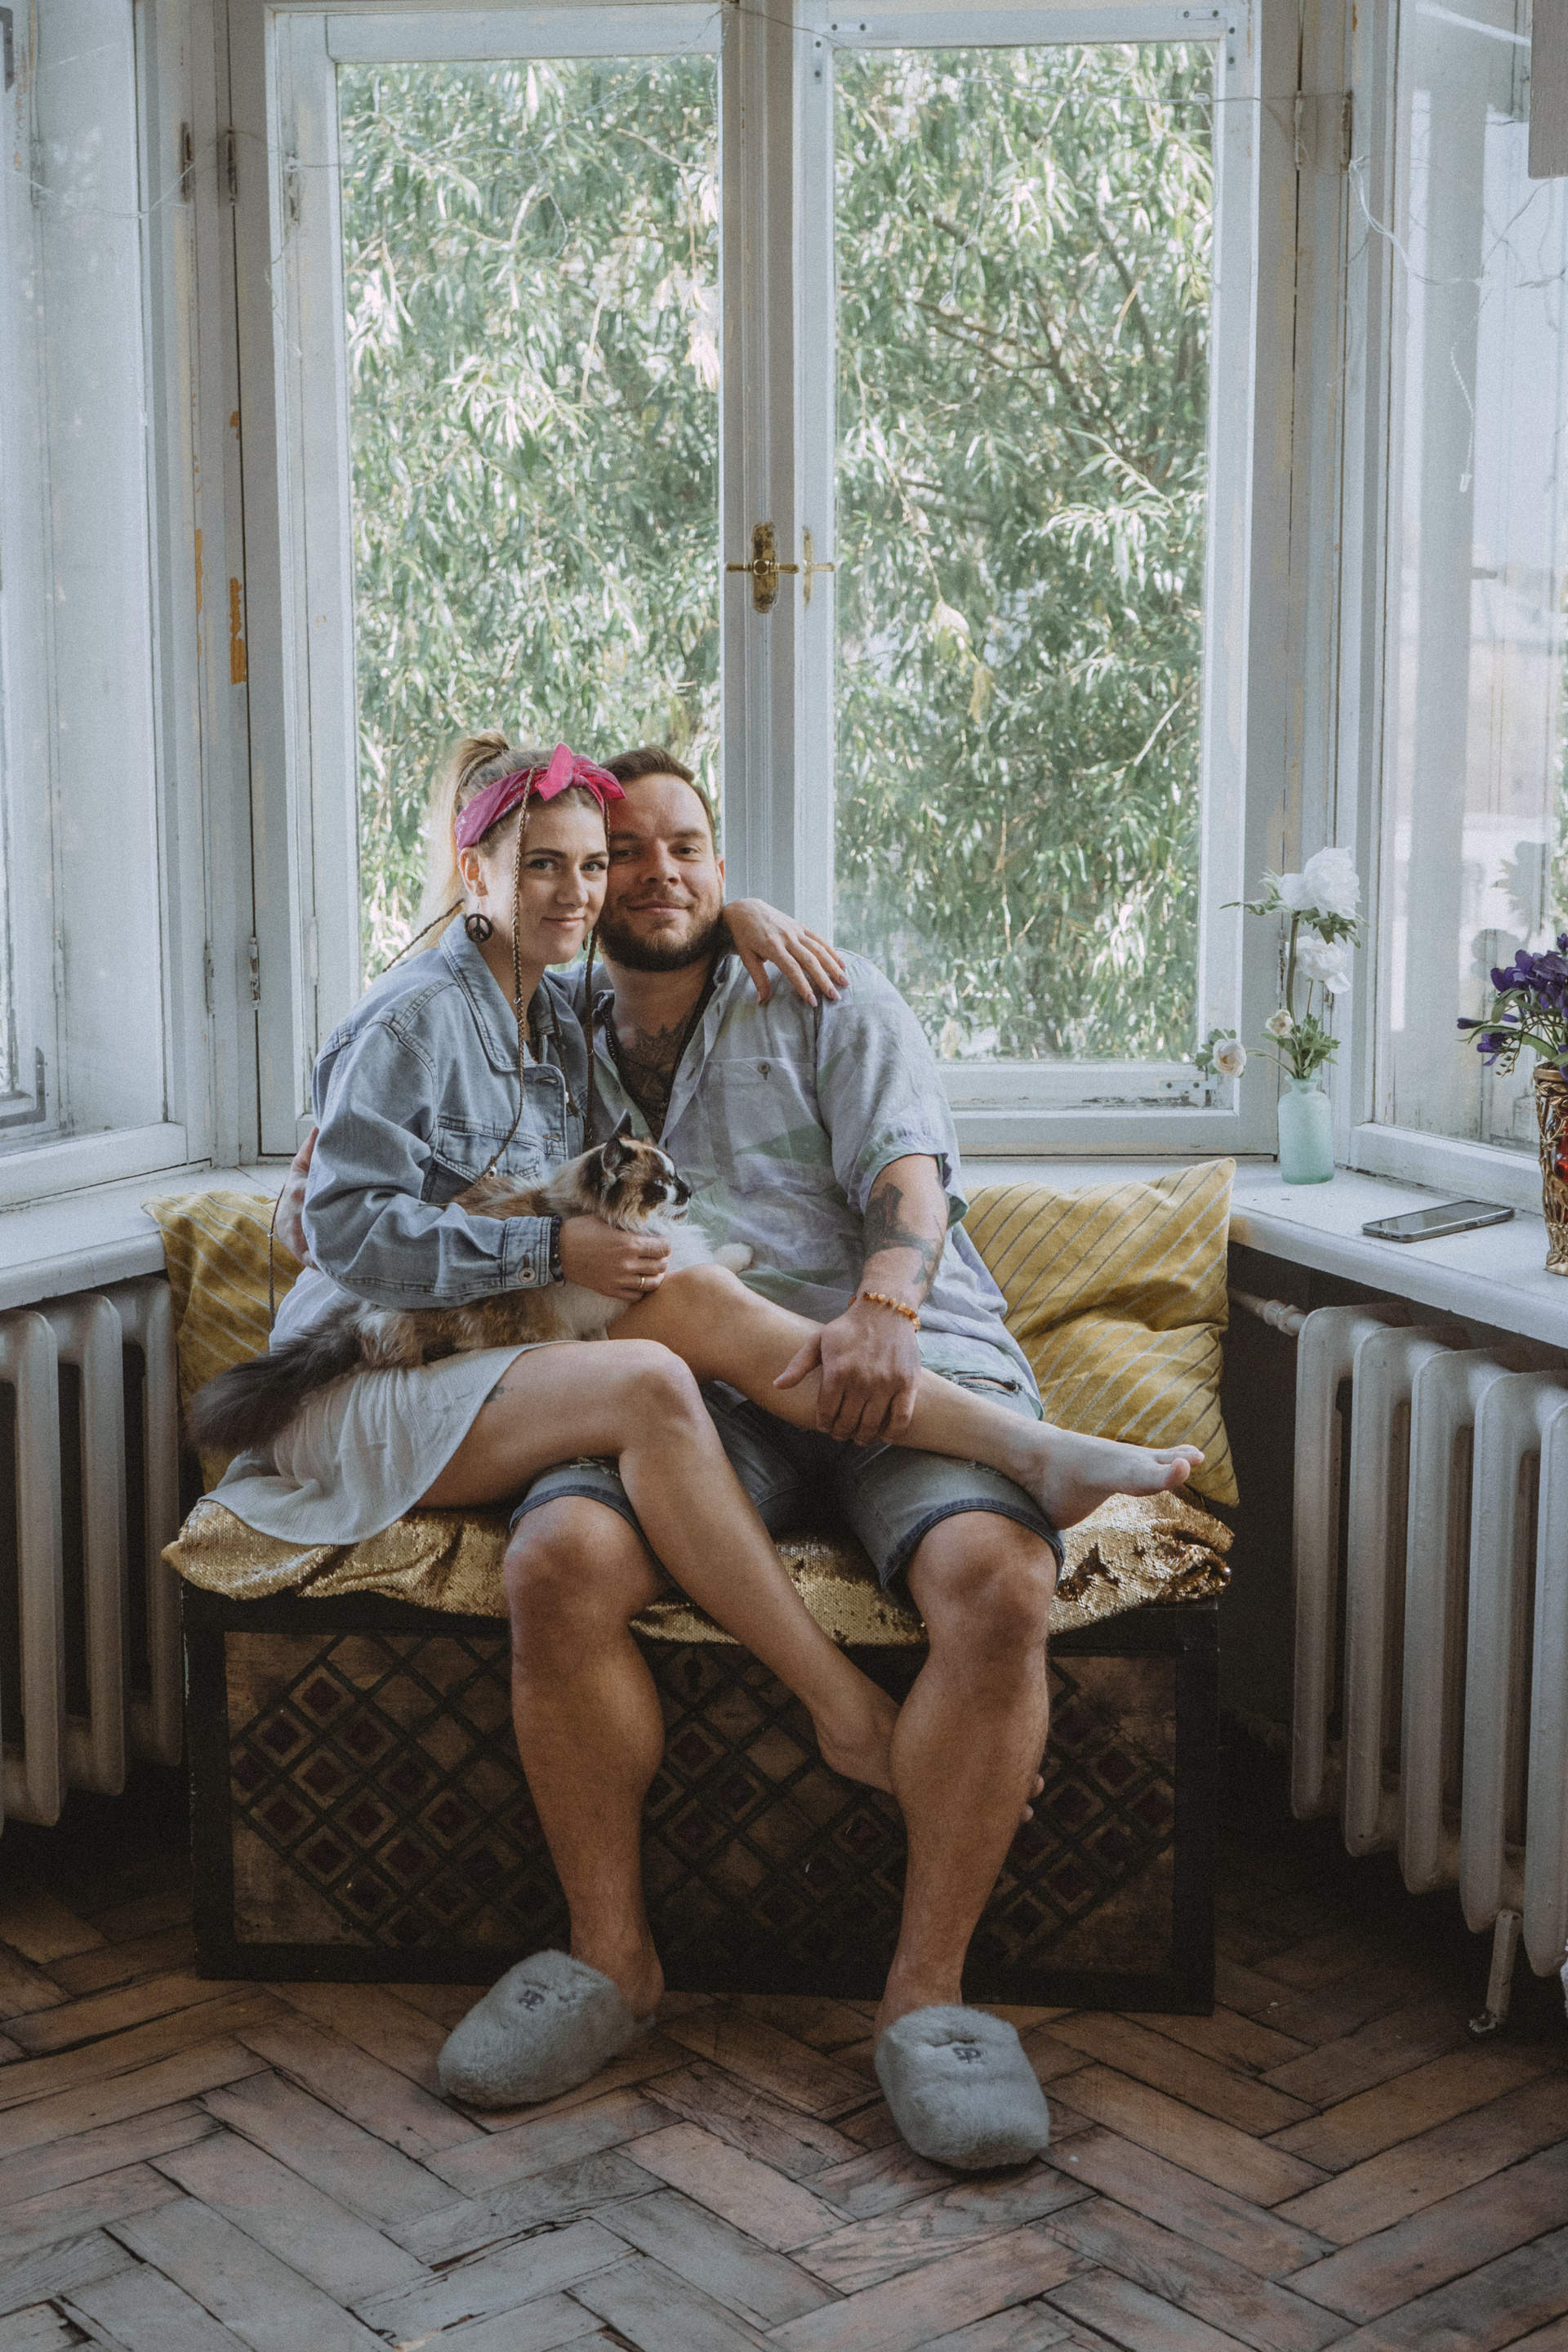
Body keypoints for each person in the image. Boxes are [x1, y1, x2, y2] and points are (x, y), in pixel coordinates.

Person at [276, 743, 1201, 2170]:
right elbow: (400, 1127)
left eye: (682, 849)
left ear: (726, 865)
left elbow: (911, 1181)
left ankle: (929, 2000)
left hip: (899, 1360)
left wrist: (886, 1305)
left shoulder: (824, 990)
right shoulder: (553, 1011)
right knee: (560, 1558)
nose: (647, 876)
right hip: (704, 1386)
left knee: (1000, 1580)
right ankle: (610, 1958)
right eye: (616, 856)